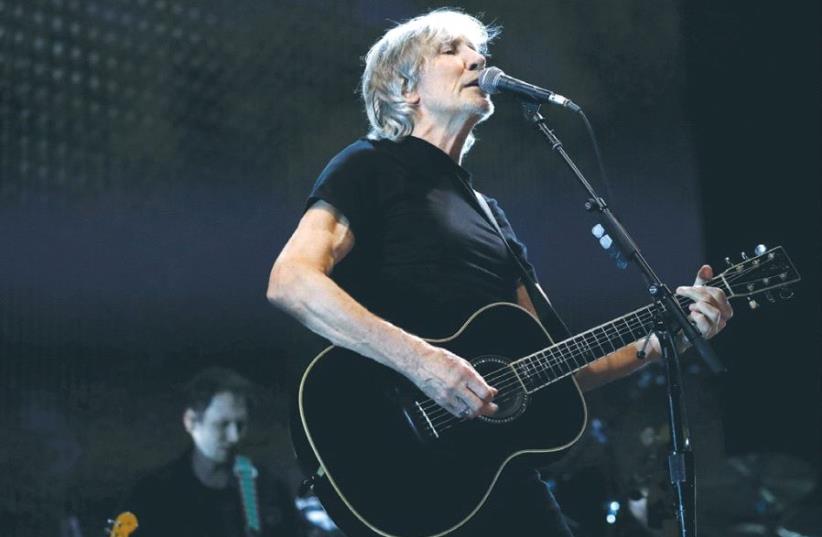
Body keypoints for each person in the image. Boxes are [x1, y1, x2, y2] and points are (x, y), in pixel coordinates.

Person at [266, 9, 732, 537]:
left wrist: (665, 338)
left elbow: (558, 364)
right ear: (404, 88)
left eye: (479, 49)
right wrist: (421, 363)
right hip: (390, 452)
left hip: (491, 474)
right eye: (452, 50)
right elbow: (291, 281)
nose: (478, 59)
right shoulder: (368, 165)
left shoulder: (491, 215)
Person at [123, 367, 304, 537]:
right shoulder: (153, 494)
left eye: (240, 424)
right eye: (222, 425)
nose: (234, 437)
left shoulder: (269, 488)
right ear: (191, 421)